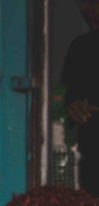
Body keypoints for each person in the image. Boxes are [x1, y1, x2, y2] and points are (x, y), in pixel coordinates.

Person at [62, 0, 99, 196]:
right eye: (83, 3)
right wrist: (72, 107)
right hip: (94, 161)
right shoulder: (82, 48)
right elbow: (65, 100)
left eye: (93, 2)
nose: (85, 9)